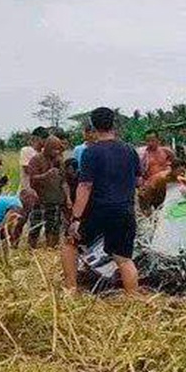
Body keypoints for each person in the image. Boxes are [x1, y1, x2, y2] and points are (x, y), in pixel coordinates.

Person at [64, 107, 141, 295]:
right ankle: (134, 300)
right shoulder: (130, 150)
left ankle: (71, 289)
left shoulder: (91, 152)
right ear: (113, 124)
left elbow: (85, 187)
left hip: (98, 210)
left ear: (93, 126)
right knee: (123, 258)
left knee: (70, 242)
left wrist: (75, 218)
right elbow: (138, 181)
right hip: (124, 210)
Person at [25, 136, 69, 248]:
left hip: (55, 199)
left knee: (54, 227)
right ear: (47, 148)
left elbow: (64, 181)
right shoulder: (36, 159)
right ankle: (31, 250)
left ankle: (51, 250)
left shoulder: (59, 161)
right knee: (35, 226)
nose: (57, 152)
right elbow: (32, 178)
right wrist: (46, 175)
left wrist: (67, 198)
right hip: (39, 200)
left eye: (59, 149)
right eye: (54, 149)